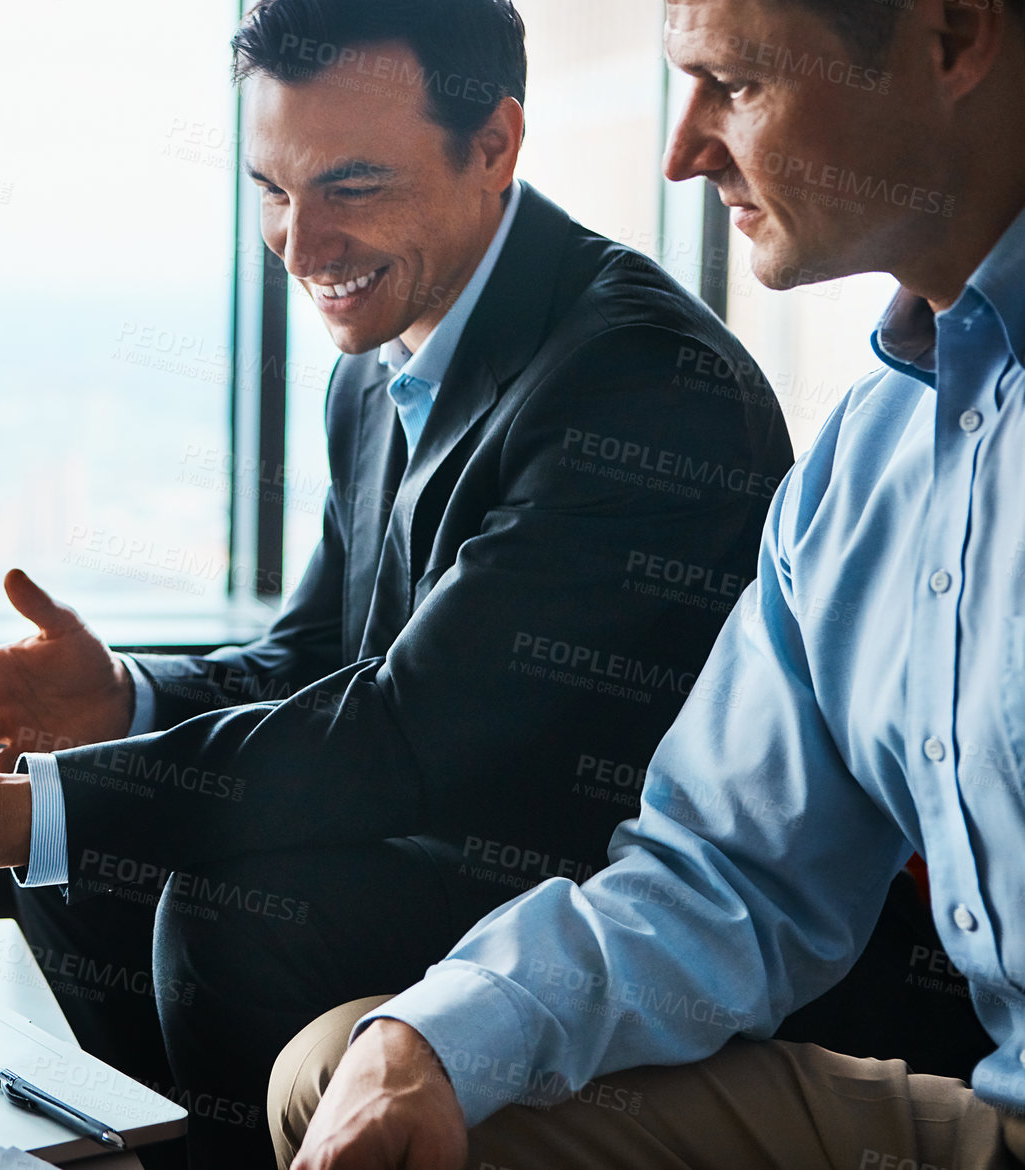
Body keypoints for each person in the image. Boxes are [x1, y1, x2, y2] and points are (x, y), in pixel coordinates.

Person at [0, 1, 795, 1164]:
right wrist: (124, 702)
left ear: (494, 147)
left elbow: (408, 730)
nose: (299, 246)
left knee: (213, 905)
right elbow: (316, 659)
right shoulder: (382, 360)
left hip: (605, 904)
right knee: (87, 847)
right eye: (272, 189)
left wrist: (19, 817)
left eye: (351, 188)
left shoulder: (636, 379)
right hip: (441, 826)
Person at [275, 0, 1025, 1167]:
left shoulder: (633, 372)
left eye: (735, 83)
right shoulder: (869, 459)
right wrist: (430, 1039)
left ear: (951, 39)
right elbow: (726, 876)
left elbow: (408, 722)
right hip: (996, 1113)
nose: (683, 152)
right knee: (348, 1066)